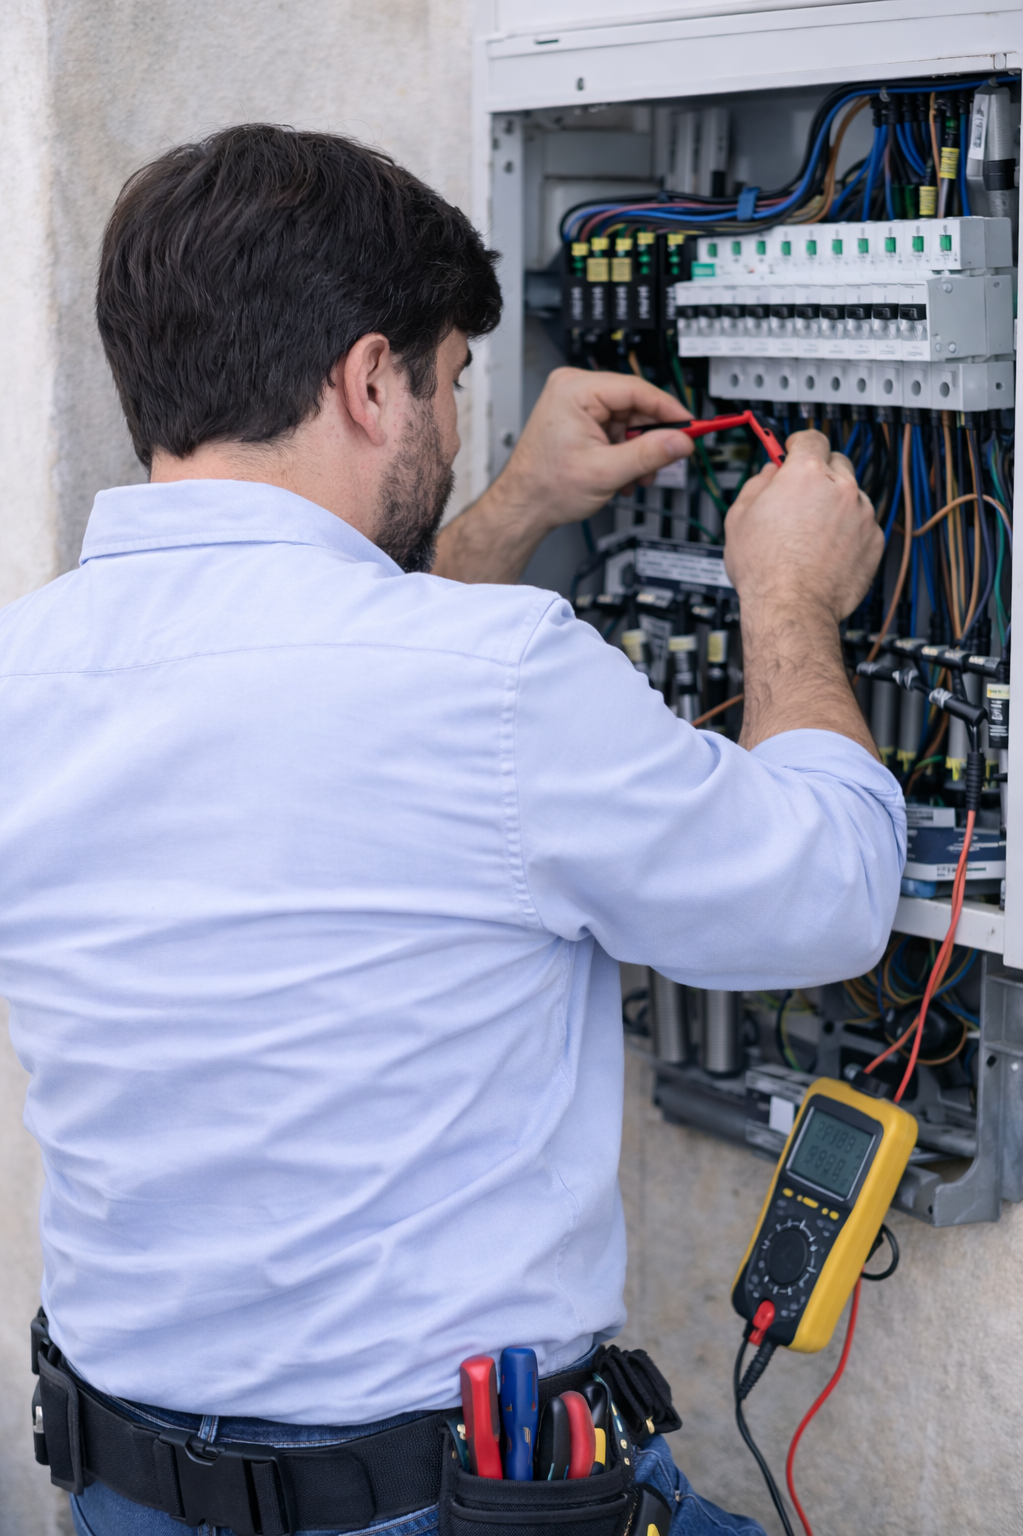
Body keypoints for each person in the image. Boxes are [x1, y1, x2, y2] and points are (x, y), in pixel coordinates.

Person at [0, 125, 903, 1536]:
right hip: (449, 1508)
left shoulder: (25, 671)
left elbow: (335, 686)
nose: (456, 417)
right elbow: (828, 891)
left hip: (126, 1496)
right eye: (449, 382)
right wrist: (788, 595)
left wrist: (526, 501)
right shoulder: (501, 680)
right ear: (371, 382)